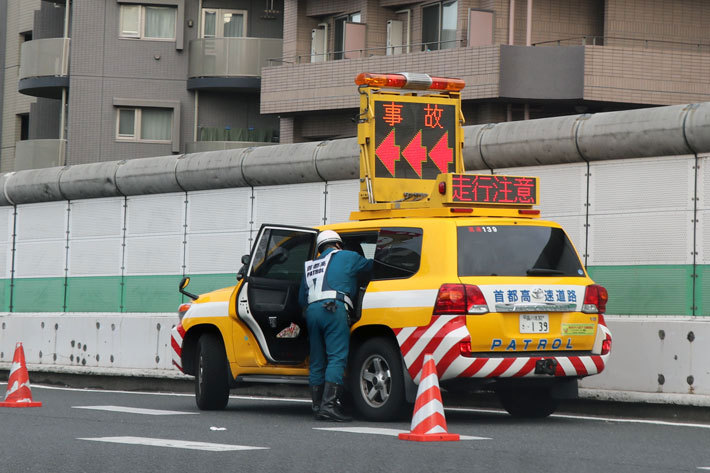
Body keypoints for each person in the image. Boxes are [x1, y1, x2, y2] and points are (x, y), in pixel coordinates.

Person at [299, 230, 373, 422]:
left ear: (320, 248)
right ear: (339, 245)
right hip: (333, 308)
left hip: (312, 311)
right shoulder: (348, 256)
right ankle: (329, 406)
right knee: (336, 357)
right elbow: (373, 267)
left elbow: (301, 298)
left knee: (317, 359)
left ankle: (317, 406)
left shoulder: (311, 265)